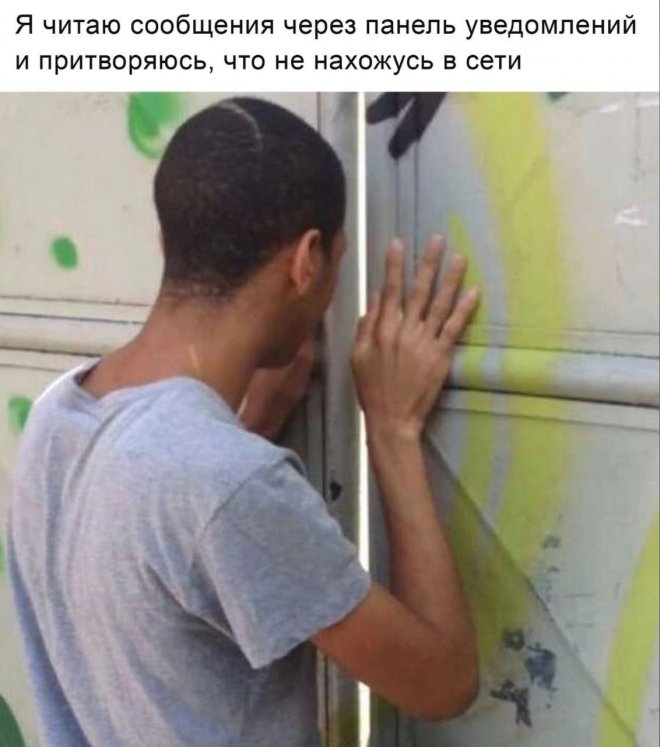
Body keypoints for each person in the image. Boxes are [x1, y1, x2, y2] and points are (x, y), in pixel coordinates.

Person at [6, 96, 480, 747]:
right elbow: (442, 681)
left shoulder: (58, 412)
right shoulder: (228, 484)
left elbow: (166, 555)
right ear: (307, 260)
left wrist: (257, 418)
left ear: (168, 243)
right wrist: (393, 433)